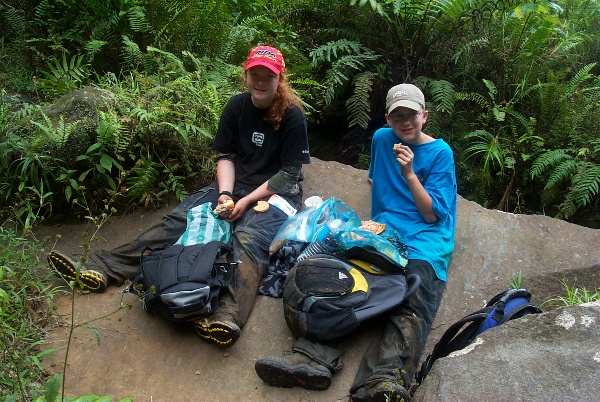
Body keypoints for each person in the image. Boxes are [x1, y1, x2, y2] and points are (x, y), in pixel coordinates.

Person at [48, 45, 311, 348]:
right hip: (234, 184)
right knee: (180, 219)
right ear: (246, 74)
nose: (261, 81)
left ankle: (226, 314)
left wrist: (246, 202)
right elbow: (225, 155)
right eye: (255, 74)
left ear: (280, 78)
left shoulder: (292, 117)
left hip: (276, 193)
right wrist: (225, 194)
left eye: (268, 75)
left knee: (249, 239)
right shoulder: (237, 107)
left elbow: (289, 174)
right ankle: (103, 266)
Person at [254, 83, 457, 401]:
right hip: (385, 233)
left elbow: (432, 215)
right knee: (343, 282)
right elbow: (375, 178)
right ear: (388, 118)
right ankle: (311, 359)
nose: (405, 122)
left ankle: (383, 379)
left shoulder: (440, 153)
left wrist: (409, 173)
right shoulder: (381, 139)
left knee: (412, 299)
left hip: (425, 240)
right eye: (398, 116)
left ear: (425, 116)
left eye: (412, 115)